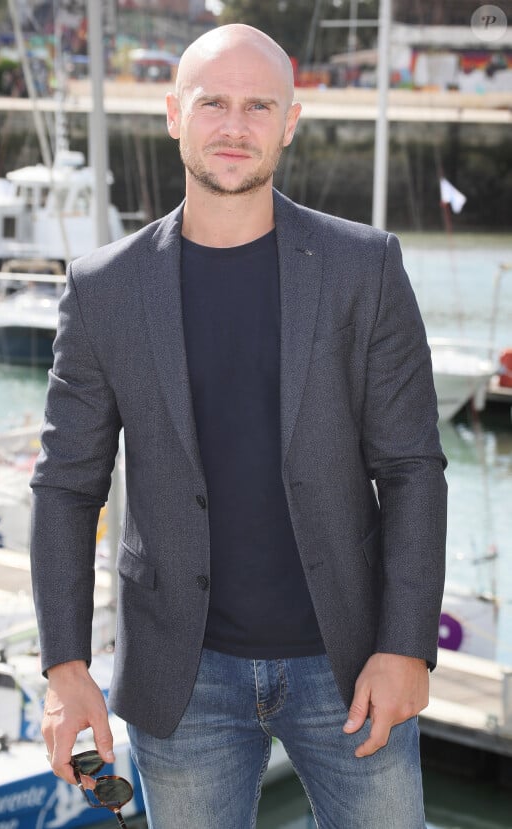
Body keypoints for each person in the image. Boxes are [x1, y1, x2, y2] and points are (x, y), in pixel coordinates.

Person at [30, 23, 447, 829]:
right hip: (182, 675)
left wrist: (405, 646)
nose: (235, 125)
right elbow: (66, 483)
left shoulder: (366, 268)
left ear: (290, 122)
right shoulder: (103, 290)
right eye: (212, 101)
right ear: (171, 113)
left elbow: (412, 467)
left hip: (352, 663)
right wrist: (65, 665)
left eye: (260, 105)